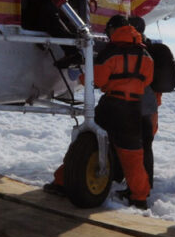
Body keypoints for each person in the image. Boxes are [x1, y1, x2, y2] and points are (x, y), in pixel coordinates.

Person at [45, 14, 154, 208]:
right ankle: (139, 197)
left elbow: (99, 80)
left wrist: (80, 78)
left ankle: (62, 182)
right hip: (133, 109)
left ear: (112, 30)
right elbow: (147, 81)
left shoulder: (110, 52)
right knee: (132, 155)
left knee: (87, 140)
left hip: (111, 105)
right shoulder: (145, 55)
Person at [128, 16, 162, 187]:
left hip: (134, 104)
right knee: (146, 145)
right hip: (151, 105)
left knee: (131, 146)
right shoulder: (153, 48)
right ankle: (145, 183)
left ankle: (138, 186)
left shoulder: (131, 49)